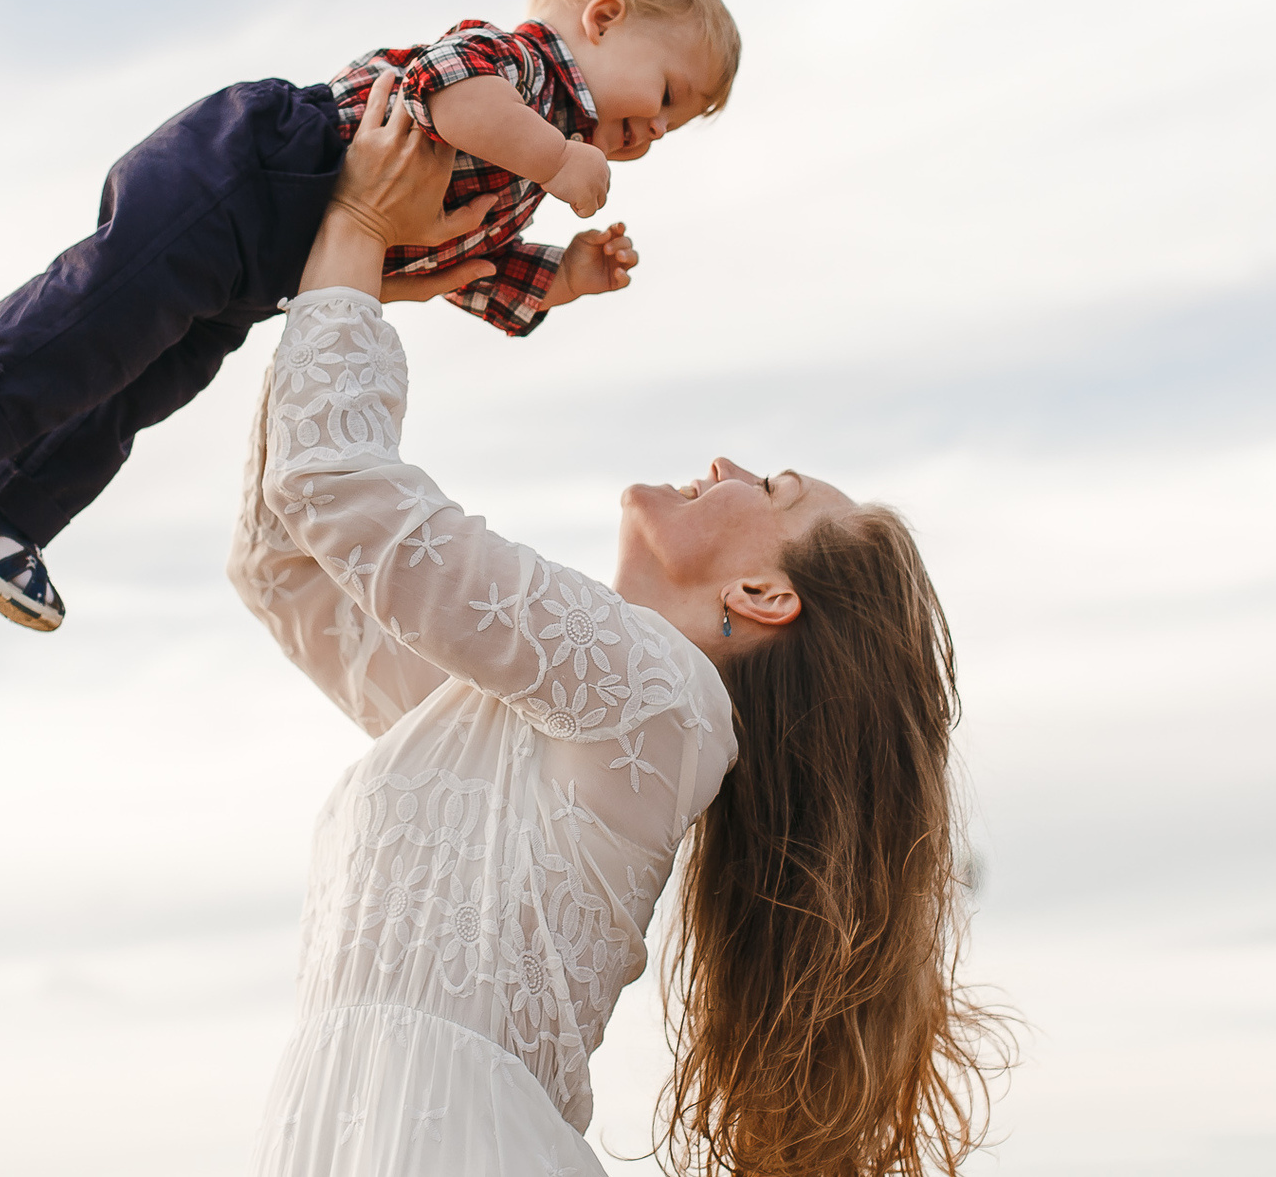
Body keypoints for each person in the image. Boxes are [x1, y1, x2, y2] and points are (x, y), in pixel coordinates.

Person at [230, 77, 1007, 1177]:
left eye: (772, 489)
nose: (727, 464)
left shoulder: (659, 696)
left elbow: (339, 493)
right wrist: (359, 276)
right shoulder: (535, 710)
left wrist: (356, 226)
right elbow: (284, 566)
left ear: (765, 596)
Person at [0, 0, 740, 631]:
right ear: (603, 18)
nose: (658, 130)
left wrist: (568, 274)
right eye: (667, 94)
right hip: (250, 171)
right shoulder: (520, 69)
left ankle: (9, 511)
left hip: (268, 270)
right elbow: (445, 91)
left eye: (676, 125)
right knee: (112, 304)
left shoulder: (519, 181)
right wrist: (555, 156)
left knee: (146, 380)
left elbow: (469, 270)